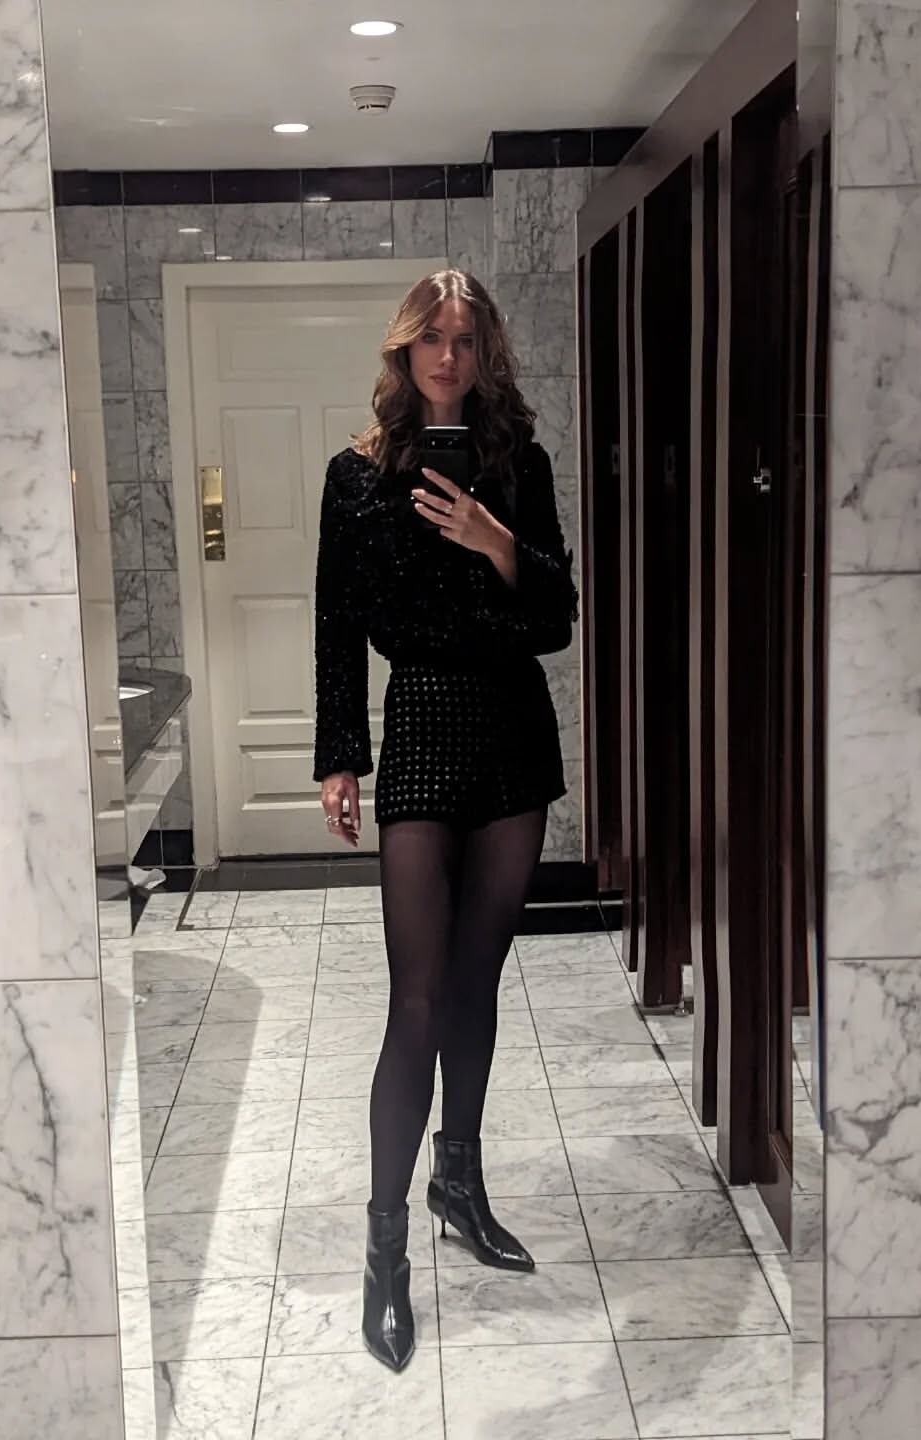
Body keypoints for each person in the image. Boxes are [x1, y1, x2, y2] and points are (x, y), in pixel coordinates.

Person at [312, 269, 577, 1371]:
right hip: (420, 721)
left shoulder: (520, 465)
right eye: (434, 338)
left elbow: (558, 617)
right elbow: (337, 619)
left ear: (485, 352)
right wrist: (340, 755)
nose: (450, 357)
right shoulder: (358, 475)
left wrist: (494, 539)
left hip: (512, 728)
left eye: (467, 340)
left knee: (477, 981)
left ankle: (457, 1183)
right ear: (405, 350)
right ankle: (385, 1253)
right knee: (416, 999)